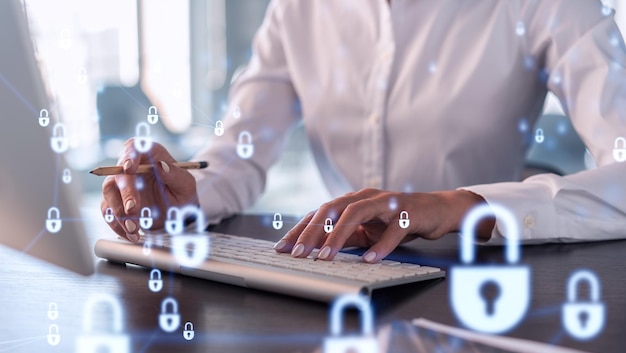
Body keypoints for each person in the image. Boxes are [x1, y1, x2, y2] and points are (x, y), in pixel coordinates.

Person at [101, 0, 626, 265]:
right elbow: (240, 152)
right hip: (343, 279)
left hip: (487, 286)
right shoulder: (299, 9)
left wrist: (457, 205)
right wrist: (181, 199)